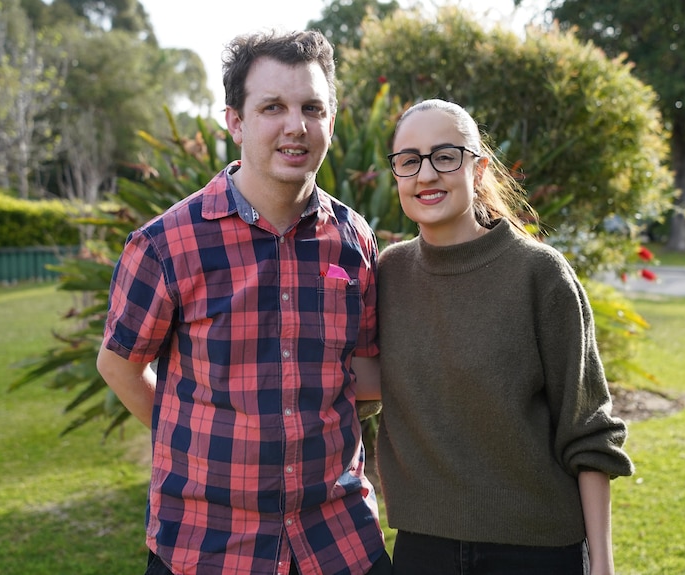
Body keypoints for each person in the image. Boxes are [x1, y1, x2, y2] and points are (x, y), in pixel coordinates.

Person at [96, 30, 389, 575]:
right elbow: (119, 365)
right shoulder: (166, 244)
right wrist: (190, 446)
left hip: (338, 544)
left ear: (330, 119)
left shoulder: (353, 239)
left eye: (311, 107)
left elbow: (366, 375)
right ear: (234, 120)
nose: (294, 126)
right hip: (208, 548)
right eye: (272, 107)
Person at [375, 98, 635, 575]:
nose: (426, 175)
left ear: (478, 170)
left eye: (446, 156)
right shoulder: (389, 274)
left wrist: (602, 561)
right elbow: (365, 380)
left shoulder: (540, 274)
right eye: (409, 161)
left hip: (536, 551)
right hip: (422, 551)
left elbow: (587, 427)